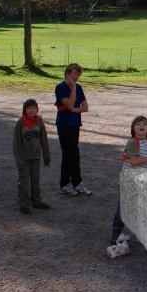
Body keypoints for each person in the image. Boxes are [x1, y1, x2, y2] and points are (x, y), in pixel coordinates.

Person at [111, 116, 147, 245]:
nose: (142, 126)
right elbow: (134, 162)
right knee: (124, 205)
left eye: (145, 124)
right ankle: (116, 233)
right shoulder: (132, 142)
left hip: (142, 179)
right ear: (133, 128)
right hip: (130, 179)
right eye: (138, 124)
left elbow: (145, 165)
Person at [54, 63, 91, 196]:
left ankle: (65, 183)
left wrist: (74, 110)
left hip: (75, 123)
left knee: (69, 154)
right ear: (67, 74)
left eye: (78, 75)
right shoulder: (60, 87)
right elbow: (68, 104)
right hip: (64, 124)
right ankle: (75, 183)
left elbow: (85, 107)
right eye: (74, 74)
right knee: (72, 154)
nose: (76, 77)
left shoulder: (79, 88)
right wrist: (73, 88)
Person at [12, 99, 51, 214]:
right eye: (29, 108)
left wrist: (46, 157)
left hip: (36, 156)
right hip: (24, 157)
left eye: (34, 108)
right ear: (25, 110)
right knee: (24, 181)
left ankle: (37, 201)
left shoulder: (39, 123)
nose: (32, 110)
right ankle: (24, 204)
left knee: (35, 179)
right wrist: (19, 160)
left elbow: (44, 140)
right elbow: (16, 143)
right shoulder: (20, 123)